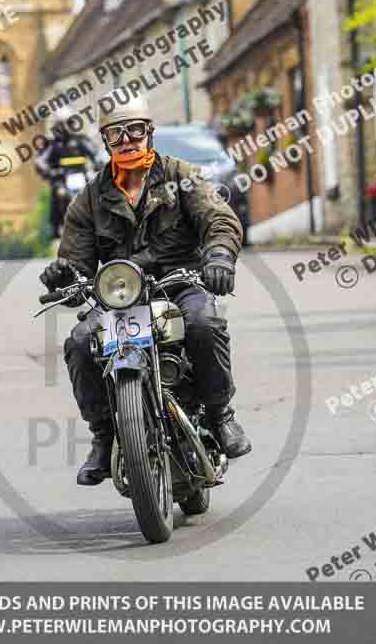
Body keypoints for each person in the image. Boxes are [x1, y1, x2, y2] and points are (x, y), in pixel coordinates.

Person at [40, 94, 252, 486]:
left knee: (205, 322)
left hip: (180, 284)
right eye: (116, 133)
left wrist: (220, 256)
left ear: (149, 132)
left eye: (135, 130)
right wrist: (65, 275)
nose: (127, 140)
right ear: (105, 141)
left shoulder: (181, 175)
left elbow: (218, 218)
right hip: (121, 296)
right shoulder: (88, 198)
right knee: (81, 340)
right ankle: (103, 438)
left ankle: (221, 416)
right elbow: (77, 261)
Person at [35, 108, 98, 237]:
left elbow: (95, 154)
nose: (65, 127)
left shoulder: (81, 140)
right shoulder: (52, 145)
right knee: (59, 193)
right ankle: (56, 225)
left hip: (82, 176)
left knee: (96, 192)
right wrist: (48, 171)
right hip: (62, 179)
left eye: (68, 123)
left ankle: (100, 222)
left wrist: (99, 164)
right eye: (61, 124)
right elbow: (41, 162)